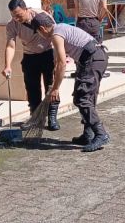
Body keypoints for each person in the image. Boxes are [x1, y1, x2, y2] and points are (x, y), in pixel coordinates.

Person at [34, 12, 110, 152]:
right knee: (86, 98)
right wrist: (53, 85)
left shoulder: (57, 35)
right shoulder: (60, 29)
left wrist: (56, 89)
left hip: (92, 60)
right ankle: (88, 135)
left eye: (38, 32)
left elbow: (63, 63)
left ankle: (101, 134)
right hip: (92, 59)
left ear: (42, 28)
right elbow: (58, 62)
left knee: (83, 99)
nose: (40, 36)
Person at [3, 0, 60, 131]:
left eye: (19, 15)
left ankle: (52, 117)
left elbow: (56, 36)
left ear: (26, 9)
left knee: (51, 87)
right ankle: (35, 118)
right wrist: (8, 65)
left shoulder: (42, 16)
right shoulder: (12, 25)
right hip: (30, 56)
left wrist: (59, 59)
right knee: (32, 89)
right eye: (13, 16)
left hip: (47, 53)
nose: (17, 18)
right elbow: (11, 46)